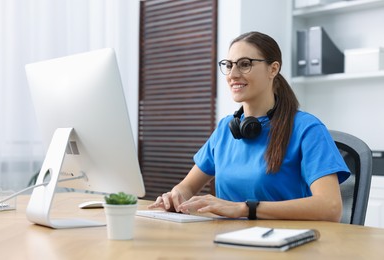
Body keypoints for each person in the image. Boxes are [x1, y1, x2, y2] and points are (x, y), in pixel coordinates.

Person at [148, 31, 350, 222]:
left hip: (282, 246)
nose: (232, 74)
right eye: (228, 65)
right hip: (226, 242)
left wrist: (245, 208)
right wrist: (175, 196)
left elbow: (330, 207)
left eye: (245, 64)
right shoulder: (226, 129)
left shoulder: (307, 129)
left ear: (273, 69)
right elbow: (187, 187)